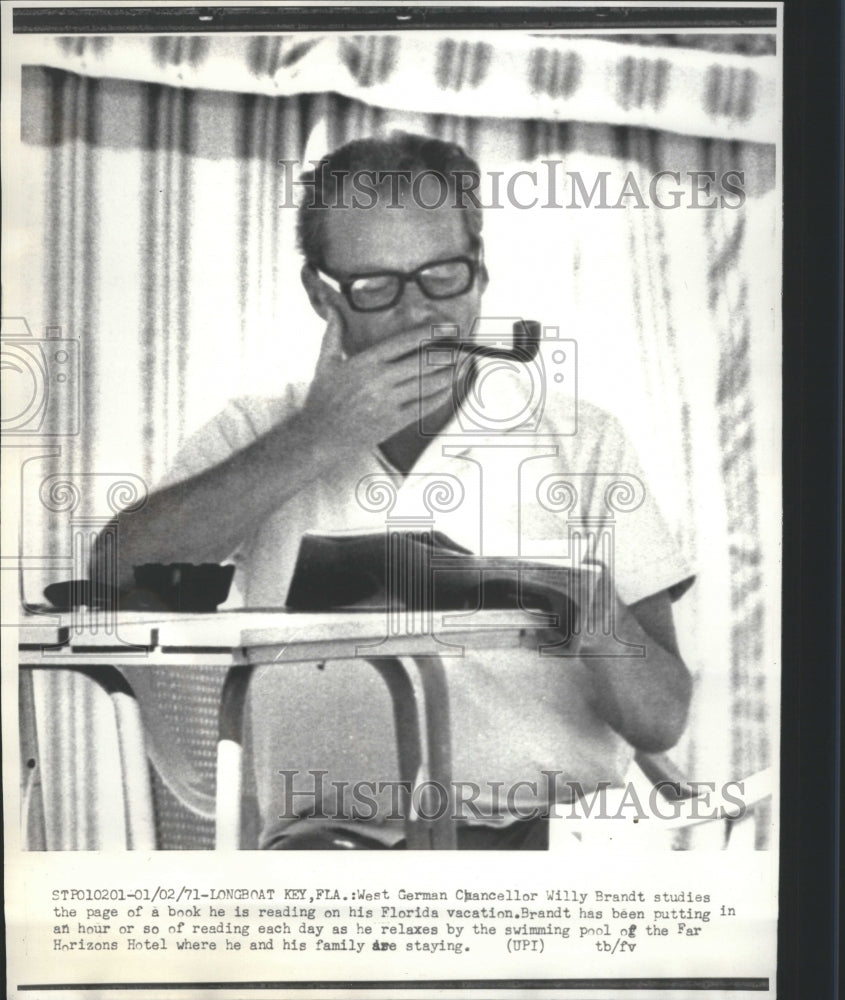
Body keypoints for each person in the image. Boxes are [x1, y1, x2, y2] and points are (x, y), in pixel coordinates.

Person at [94, 132, 694, 849]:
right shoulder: (262, 428)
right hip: (330, 858)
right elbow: (113, 577)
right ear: (322, 295)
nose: (418, 314)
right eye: (376, 286)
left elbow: (661, 719)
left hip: (550, 856)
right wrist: (318, 436)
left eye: (442, 274)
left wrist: (575, 597)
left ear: (480, 272)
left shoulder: (583, 438)